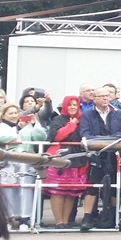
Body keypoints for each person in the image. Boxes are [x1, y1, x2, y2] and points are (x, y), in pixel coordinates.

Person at [78, 87, 121, 231]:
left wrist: (110, 140)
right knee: (92, 186)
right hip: (95, 155)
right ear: (94, 99)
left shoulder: (118, 113)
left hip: (114, 155)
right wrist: (102, 141)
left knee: (115, 186)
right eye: (102, 96)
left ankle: (113, 216)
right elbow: (84, 133)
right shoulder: (87, 115)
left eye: (107, 96)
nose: (105, 98)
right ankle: (87, 217)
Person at [0, 103, 46, 230]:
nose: (14, 116)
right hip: (7, 162)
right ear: (3, 115)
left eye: (15, 113)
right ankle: (8, 219)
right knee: (7, 190)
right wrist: (18, 131)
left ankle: (24, 219)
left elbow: (41, 136)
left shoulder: (26, 126)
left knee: (25, 189)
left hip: (26, 161)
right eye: (10, 113)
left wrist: (34, 124)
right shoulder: (0, 126)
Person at [44, 95, 88, 228]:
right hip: (59, 158)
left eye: (75, 105)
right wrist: (71, 125)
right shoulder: (58, 119)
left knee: (70, 192)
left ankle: (65, 221)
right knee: (58, 191)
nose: (72, 107)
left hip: (77, 158)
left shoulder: (83, 120)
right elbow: (56, 136)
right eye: (70, 105)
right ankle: (59, 222)